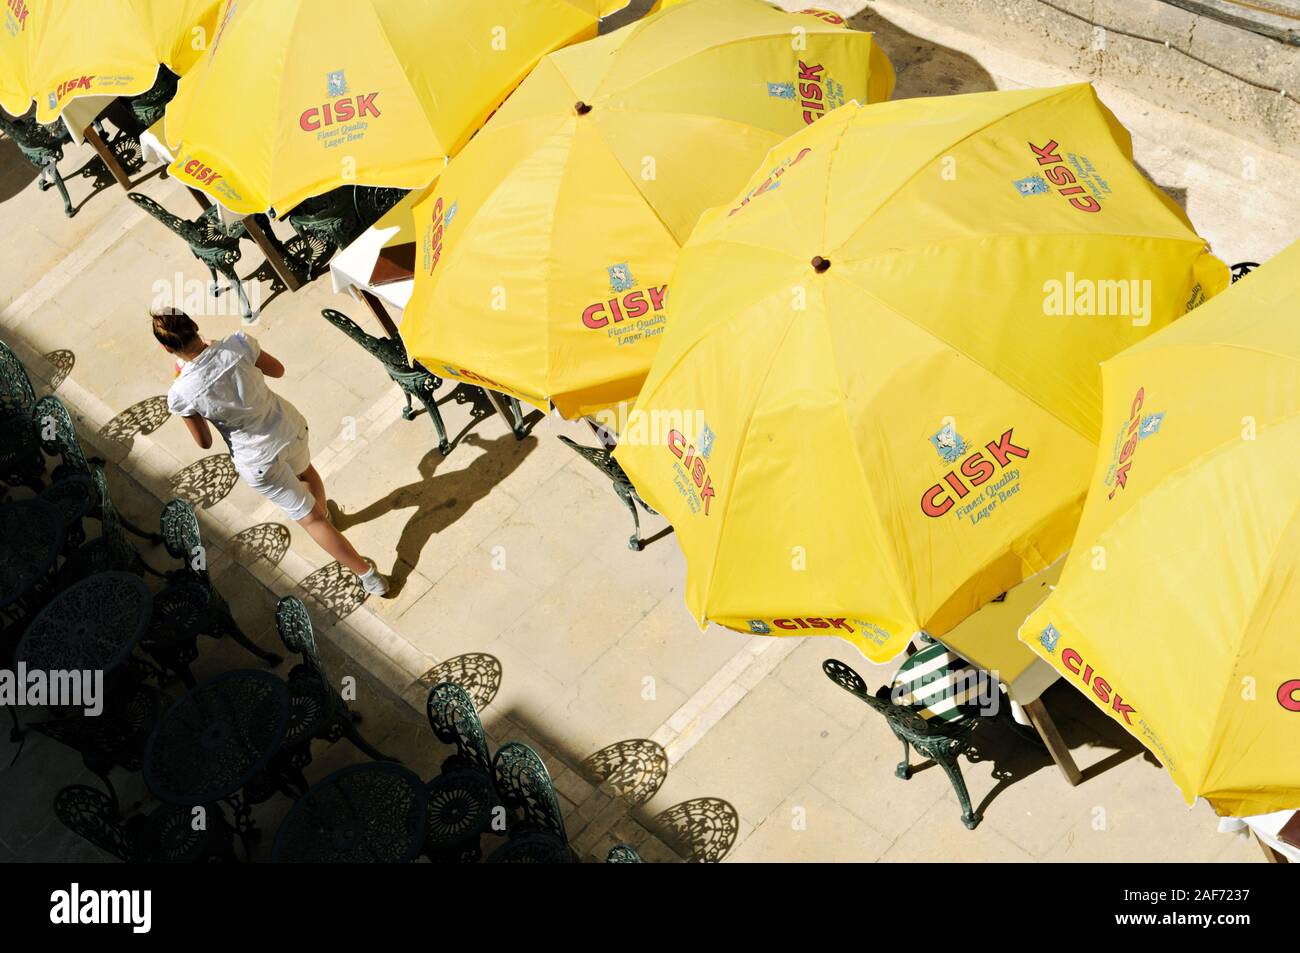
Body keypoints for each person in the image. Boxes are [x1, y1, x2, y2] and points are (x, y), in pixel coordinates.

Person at [152, 308, 389, 596]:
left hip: (258, 458)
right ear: (194, 325)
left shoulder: (181, 393)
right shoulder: (238, 344)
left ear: (166, 348)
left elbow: (204, 443)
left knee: (310, 520)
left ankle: (367, 575)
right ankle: (328, 518)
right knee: (306, 472)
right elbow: (278, 370)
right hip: (288, 428)